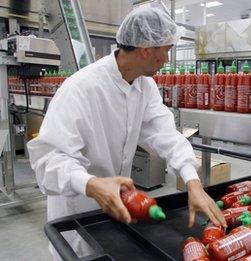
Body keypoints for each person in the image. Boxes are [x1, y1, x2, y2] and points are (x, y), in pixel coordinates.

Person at [28, 6, 226, 259]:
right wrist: (92, 184)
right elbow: (49, 160)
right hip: (77, 210)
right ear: (146, 49)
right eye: (165, 51)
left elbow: (165, 134)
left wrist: (192, 182)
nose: (167, 60)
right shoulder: (81, 88)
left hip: (117, 209)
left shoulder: (145, 87)